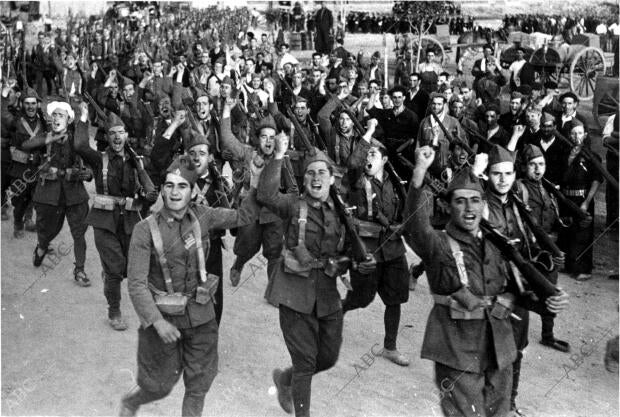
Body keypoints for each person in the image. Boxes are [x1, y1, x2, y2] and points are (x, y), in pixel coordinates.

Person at [404, 145, 568, 416]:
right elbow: (415, 226)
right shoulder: (438, 244)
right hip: (457, 350)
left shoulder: (497, 244)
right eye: (460, 201)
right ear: (448, 205)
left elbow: (514, 290)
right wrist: (419, 173)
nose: (469, 208)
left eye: (475, 201)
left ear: (484, 204)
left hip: (498, 346)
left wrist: (545, 304)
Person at [119, 154, 257, 417]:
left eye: (182, 186)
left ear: (193, 191)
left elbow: (244, 216)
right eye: (169, 185)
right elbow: (136, 284)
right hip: (164, 319)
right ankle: (132, 402)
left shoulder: (205, 215)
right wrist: (157, 322)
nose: (174, 192)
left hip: (202, 317)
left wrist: (258, 177)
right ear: (161, 189)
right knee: (159, 386)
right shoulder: (144, 229)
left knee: (198, 386)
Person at [258, 135, 376, 417]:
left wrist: (357, 263)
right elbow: (266, 195)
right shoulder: (293, 205)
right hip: (293, 292)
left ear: (331, 179)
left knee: (328, 357)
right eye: (310, 172)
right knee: (305, 362)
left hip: (326, 294)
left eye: (322, 172)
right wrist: (278, 156)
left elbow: (350, 250)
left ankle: (284, 379)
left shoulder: (341, 211)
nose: (316, 177)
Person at [74, 108, 158, 330]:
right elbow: (80, 146)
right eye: (112, 133)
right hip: (104, 221)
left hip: (130, 221)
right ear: (107, 137)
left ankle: (111, 275)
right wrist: (83, 118)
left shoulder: (135, 161)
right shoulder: (99, 159)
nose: (117, 137)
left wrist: (148, 192)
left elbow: (149, 190)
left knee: (130, 269)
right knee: (115, 269)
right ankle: (114, 310)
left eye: (121, 133)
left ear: (127, 136)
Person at [342, 131, 411, 367]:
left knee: (395, 298)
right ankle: (332, 316)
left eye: (373, 153)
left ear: (384, 160)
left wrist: (401, 225)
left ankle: (390, 347)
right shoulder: (357, 180)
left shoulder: (394, 184)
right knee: (362, 297)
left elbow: (403, 210)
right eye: (366, 153)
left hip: (392, 247)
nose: (368, 158)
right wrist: (367, 136)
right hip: (366, 246)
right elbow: (353, 163)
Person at [220, 99, 298, 304]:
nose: (268, 141)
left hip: (273, 213)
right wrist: (227, 109)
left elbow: (292, 188)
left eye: (272, 137)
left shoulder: (283, 158)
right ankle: (238, 264)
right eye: (264, 136)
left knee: (274, 252)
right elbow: (227, 138)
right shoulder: (248, 153)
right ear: (258, 139)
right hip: (251, 211)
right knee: (248, 246)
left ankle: (273, 291)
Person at [22, 100, 93, 287]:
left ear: (69, 120)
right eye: (54, 115)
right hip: (48, 194)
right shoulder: (45, 137)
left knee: (79, 233)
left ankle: (79, 270)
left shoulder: (76, 139)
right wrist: (50, 138)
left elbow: (88, 156)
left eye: (60, 115)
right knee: (47, 231)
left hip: (74, 194)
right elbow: (26, 145)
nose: (56, 118)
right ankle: (42, 246)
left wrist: (88, 174)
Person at [517, 144, 570, 353]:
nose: (538, 169)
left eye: (541, 164)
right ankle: (518, 338)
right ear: (524, 167)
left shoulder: (547, 189)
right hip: (527, 251)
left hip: (547, 251)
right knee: (522, 295)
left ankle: (548, 335)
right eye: (532, 165)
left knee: (551, 292)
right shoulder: (519, 188)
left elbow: (552, 219)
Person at [557, 120, 603, 281]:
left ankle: (584, 269)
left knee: (583, 234)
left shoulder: (592, 156)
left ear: (584, 135)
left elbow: (596, 181)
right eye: (573, 133)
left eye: (579, 133)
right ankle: (570, 265)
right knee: (567, 231)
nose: (576, 136)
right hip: (567, 198)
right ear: (569, 135)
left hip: (583, 199)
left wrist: (587, 202)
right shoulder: (565, 154)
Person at [5, 87, 46, 238]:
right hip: (19, 166)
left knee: (33, 196)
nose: (30, 106)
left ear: (37, 104)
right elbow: (4, 116)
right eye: (27, 103)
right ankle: (18, 222)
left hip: (35, 166)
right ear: (22, 104)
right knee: (19, 198)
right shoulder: (16, 121)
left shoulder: (43, 122)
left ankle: (28, 219)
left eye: (33, 103)